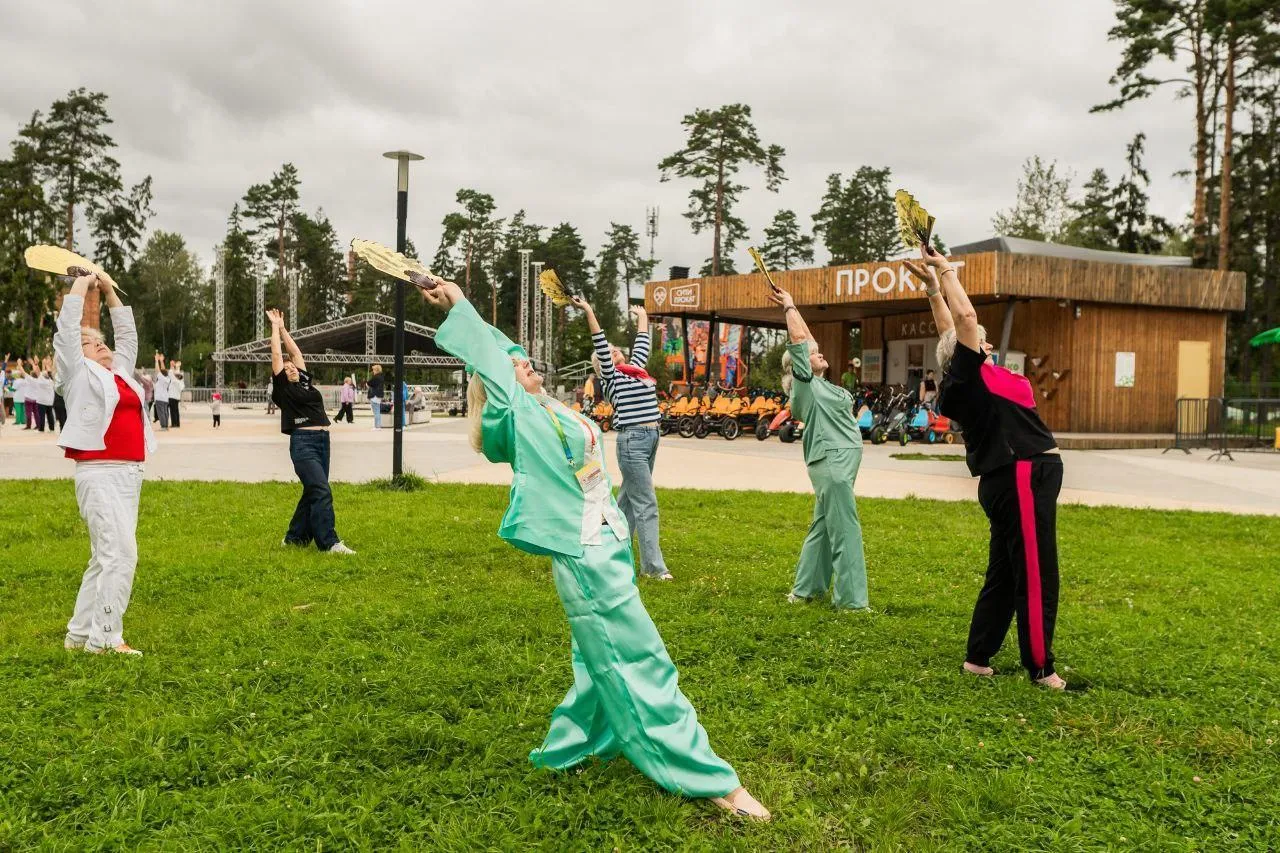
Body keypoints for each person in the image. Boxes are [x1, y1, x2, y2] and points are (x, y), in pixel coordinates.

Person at [419, 273, 769, 821]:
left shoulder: (547, 405)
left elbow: (504, 351)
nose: (522, 360)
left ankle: (573, 744)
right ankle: (703, 775)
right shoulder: (513, 414)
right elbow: (493, 360)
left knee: (597, 657)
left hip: (607, 540)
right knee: (641, 658)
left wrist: (491, 335)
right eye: (511, 363)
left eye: (524, 358)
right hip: (583, 553)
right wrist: (460, 302)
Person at [906, 245, 1067, 690]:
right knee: (1036, 573)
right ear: (965, 353)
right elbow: (965, 324)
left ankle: (979, 657)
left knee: (1004, 572)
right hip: (1019, 477)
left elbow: (949, 330)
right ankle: (1041, 668)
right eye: (979, 344)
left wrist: (934, 290)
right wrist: (949, 271)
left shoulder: (961, 379)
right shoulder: (968, 377)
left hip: (1011, 480)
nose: (987, 344)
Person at [55, 269, 156, 655]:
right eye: (91, 343)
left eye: (101, 342)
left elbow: (127, 335)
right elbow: (67, 331)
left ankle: (79, 635)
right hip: (99, 473)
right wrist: (82, 284)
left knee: (104, 556)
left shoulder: (120, 376)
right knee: (122, 554)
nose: (100, 345)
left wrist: (110, 291)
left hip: (129, 472)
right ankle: (106, 639)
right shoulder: (77, 375)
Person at [770, 286, 869, 610]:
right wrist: (789, 307)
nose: (820, 352)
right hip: (832, 463)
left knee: (824, 526)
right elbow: (801, 343)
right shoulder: (805, 386)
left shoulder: (820, 383)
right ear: (799, 364)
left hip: (840, 462)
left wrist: (795, 312)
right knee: (846, 530)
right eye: (814, 353)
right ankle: (853, 603)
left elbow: (807, 341)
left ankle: (806, 589)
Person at [578, 298, 671, 581]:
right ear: (602, 364)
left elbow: (643, 344)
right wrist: (590, 310)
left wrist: (643, 316)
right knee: (646, 503)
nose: (614, 350)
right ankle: (654, 569)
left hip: (651, 436)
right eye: (608, 351)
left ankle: (610, 550)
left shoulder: (636, 371)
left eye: (616, 348)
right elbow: (599, 340)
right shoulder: (612, 377)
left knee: (629, 502)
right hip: (633, 440)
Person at [268, 308, 355, 554]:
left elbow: (294, 353)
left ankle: (295, 538)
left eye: (293, 368)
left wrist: (284, 328)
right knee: (321, 490)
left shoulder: (304, 382)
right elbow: (277, 354)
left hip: (322, 441)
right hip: (303, 443)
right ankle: (329, 543)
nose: (291, 369)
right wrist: (274, 328)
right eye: (287, 369)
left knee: (312, 491)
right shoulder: (283, 389)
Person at [151, 355, 170, 430]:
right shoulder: (167, 378)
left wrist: (156, 360)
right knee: (165, 412)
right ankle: (165, 425)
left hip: (160, 398)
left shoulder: (161, 378)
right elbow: (163, 370)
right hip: (165, 398)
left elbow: (158, 370)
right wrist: (161, 361)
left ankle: (163, 426)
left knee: (161, 413)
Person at [166, 359, 184, 428]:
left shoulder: (174, 380)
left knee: (173, 411)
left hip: (172, 396)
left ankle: (174, 424)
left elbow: (171, 373)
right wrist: (177, 367)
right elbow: (176, 373)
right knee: (176, 410)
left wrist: (173, 366)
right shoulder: (180, 382)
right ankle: (177, 423)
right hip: (176, 397)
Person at [367, 364, 384, 430]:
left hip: (374, 396)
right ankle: (378, 426)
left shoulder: (375, 377)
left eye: (373, 369)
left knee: (376, 412)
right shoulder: (381, 377)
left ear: (376, 370)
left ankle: (377, 427)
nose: (373, 371)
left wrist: (368, 385)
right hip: (379, 396)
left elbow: (368, 383)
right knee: (378, 411)